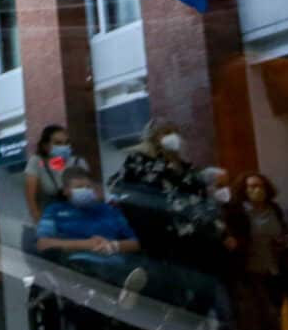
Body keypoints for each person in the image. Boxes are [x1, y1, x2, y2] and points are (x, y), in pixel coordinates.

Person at [111, 117, 227, 313]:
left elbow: (201, 200)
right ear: (154, 138)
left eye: (174, 131)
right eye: (165, 132)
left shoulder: (188, 168)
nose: (172, 136)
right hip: (163, 238)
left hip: (197, 239)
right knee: (171, 293)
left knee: (204, 295)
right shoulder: (140, 161)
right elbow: (119, 188)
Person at [36, 162, 148, 306]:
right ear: (66, 190)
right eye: (79, 188)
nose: (85, 190)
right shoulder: (54, 211)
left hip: (116, 261)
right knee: (92, 270)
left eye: (88, 187)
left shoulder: (109, 211)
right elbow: (43, 243)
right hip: (78, 263)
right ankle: (120, 296)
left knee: (144, 272)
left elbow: (135, 242)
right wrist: (86, 244)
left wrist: (112, 246)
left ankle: (126, 293)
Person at [230, 171, 288, 330]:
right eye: (252, 186)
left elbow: (287, 232)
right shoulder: (238, 212)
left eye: (260, 186)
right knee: (257, 316)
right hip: (250, 270)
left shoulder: (274, 210)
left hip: (274, 269)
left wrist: (286, 242)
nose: (256, 190)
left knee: (275, 313)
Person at [24, 123, 74, 225]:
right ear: (45, 145)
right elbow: (31, 199)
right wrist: (38, 221)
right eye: (58, 143)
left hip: (73, 221)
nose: (64, 147)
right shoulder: (36, 162)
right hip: (49, 222)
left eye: (66, 143)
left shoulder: (74, 162)